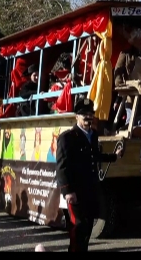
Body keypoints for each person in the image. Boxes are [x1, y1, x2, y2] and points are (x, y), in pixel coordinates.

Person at [56, 98, 123, 252]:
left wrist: (114, 156)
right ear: (76, 117)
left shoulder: (92, 135)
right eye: (84, 114)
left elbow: (95, 156)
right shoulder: (67, 138)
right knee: (77, 228)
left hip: (90, 189)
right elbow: (61, 167)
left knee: (87, 229)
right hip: (76, 192)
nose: (88, 117)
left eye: (90, 113)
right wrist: (67, 191)